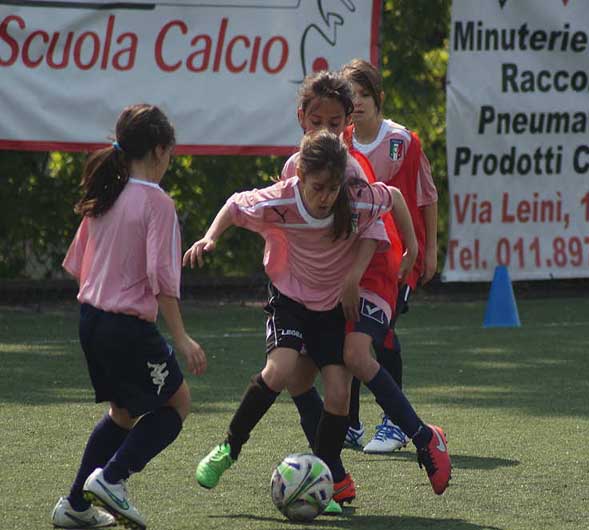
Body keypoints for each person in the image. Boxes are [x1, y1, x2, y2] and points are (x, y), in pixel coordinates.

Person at [187, 129, 398, 508]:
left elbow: (392, 198)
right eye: (318, 188)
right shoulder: (282, 199)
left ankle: (324, 478)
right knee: (280, 370)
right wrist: (210, 236)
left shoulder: (354, 197)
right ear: (300, 175)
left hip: (332, 308)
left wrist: (410, 248)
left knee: (339, 393)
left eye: (333, 188)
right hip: (290, 300)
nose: (326, 197)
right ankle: (228, 449)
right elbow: (235, 205)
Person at [278, 71, 452, 508]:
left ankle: (422, 437)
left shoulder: (348, 166)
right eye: (316, 121)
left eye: (334, 123)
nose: (324, 131)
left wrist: (415, 247)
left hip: (371, 270)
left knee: (356, 356)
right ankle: (334, 474)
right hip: (334, 280)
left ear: (348, 124)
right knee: (299, 376)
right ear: (301, 119)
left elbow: (391, 200)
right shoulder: (299, 165)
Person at [53, 104, 207, 530]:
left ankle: (75, 505)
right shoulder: (156, 202)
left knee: (123, 413)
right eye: (170, 153)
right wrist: (181, 338)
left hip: (90, 321)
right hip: (126, 328)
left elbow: (77, 264)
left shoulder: (107, 193)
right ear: (159, 150)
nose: (170, 160)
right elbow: (162, 278)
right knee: (178, 403)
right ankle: (113, 478)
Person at [340, 58, 440, 453]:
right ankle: (348, 422)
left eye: (364, 95)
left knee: (381, 334)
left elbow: (426, 195)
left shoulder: (403, 141)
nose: (357, 102)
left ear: (378, 98)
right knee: (345, 332)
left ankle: (395, 423)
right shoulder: (339, 143)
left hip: (399, 258)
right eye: (351, 95)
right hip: (356, 257)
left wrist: (428, 251)